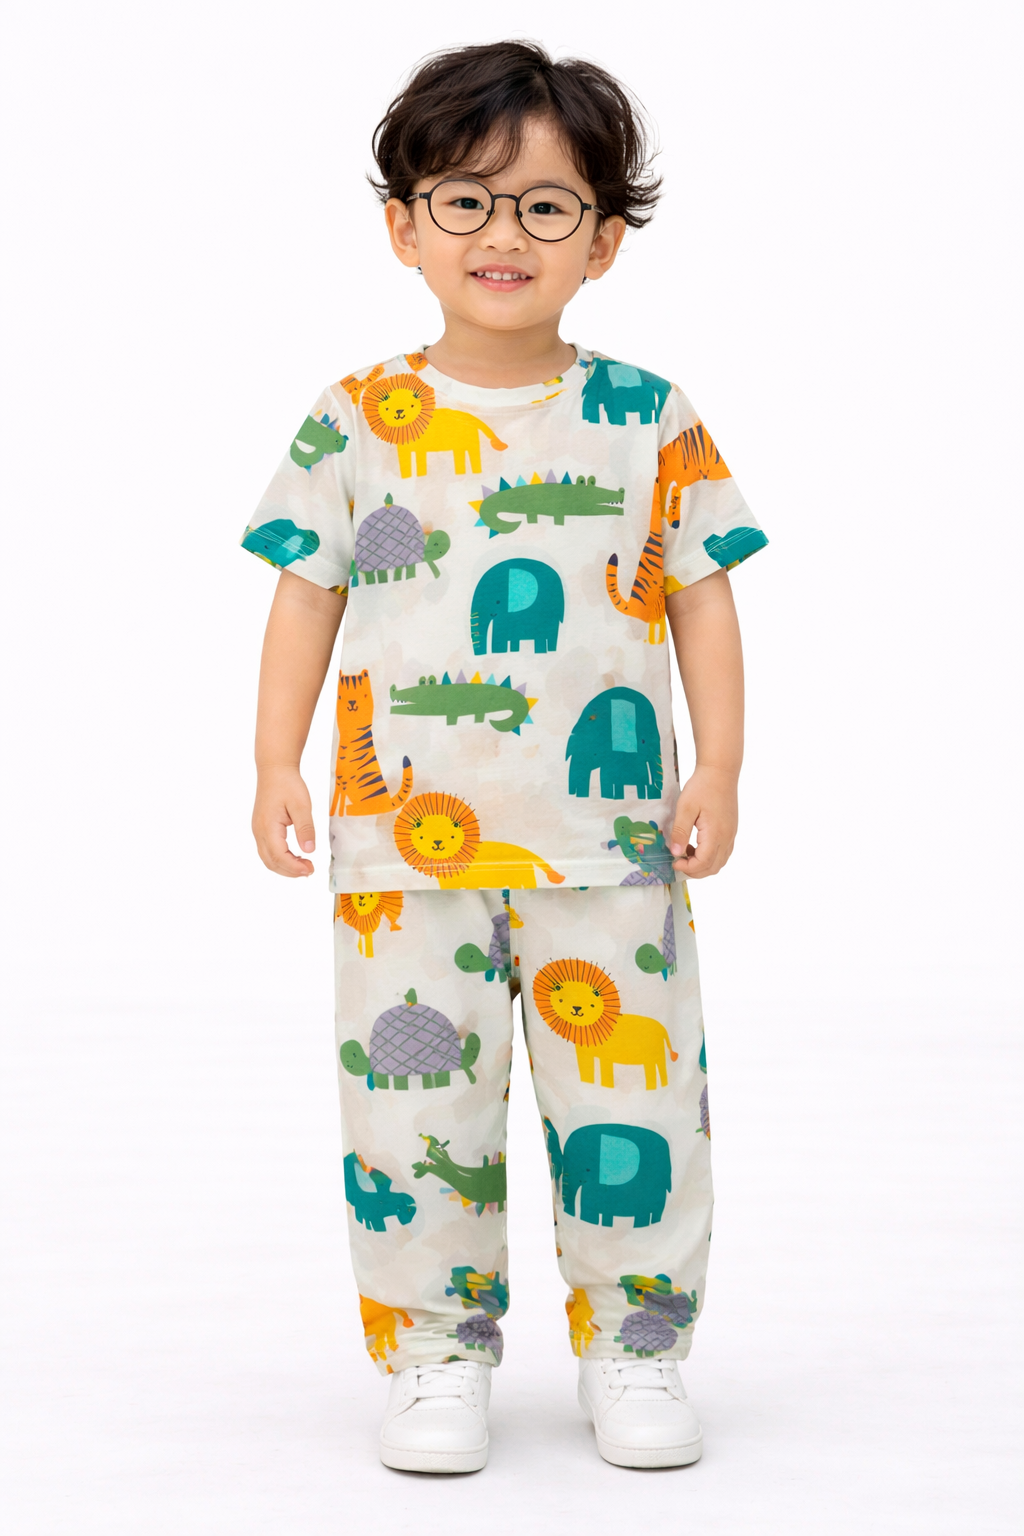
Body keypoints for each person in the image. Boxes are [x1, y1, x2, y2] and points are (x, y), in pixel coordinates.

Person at [244, 39, 766, 1474]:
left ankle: (638, 1347)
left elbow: (705, 596)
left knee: (637, 1105)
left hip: (611, 844)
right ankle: (433, 1353)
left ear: (603, 240)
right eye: (464, 200)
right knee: (411, 1111)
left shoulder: (648, 416)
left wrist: (719, 766)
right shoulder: (357, 418)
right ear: (403, 227)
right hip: (402, 853)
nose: (503, 234)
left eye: (546, 205)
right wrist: (274, 760)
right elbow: (304, 593)